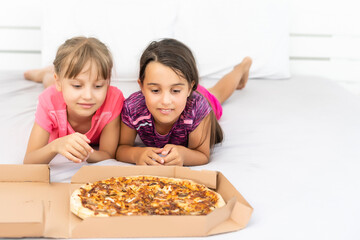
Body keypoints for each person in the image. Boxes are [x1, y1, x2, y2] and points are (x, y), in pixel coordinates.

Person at [116, 38, 252, 166]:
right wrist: (137, 154)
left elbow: (203, 155)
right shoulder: (133, 107)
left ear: (190, 88)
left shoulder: (198, 108)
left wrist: (184, 155)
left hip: (193, 100)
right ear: (142, 86)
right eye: (155, 90)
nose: (165, 101)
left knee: (217, 93)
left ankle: (242, 67)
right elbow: (121, 149)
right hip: (182, 96)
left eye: (175, 90)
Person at [23, 36, 125, 164]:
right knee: (50, 85)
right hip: (55, 93)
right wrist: (55, 146)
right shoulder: (49, 101)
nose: (88, 96)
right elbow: (29, 160)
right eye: (77, 86)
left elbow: (108, 154)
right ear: (59, 81)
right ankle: (44, 74)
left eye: (98, 86)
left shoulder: (113, 99)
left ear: (108, 82)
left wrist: (83, 152)